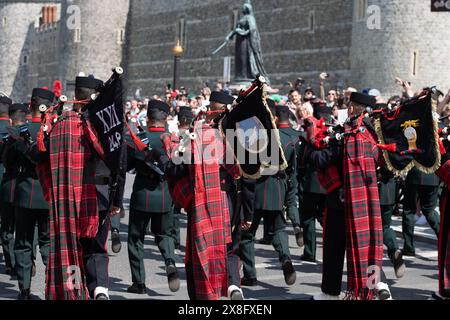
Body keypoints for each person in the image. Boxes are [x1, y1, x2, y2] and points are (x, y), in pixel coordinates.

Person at [161, 91, 255, 300]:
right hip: (230, 202)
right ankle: (232, 285)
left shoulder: (197, 135)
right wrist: (248, 213)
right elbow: (250, 177)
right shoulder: (241, 136)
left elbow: (175, 169)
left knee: (201, 252)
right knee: (230, 248)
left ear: (211, 110)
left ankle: (204, 296)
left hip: (202, 201)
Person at [305, 92, 387, 300]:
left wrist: (309, 145)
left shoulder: (346, 134)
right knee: (369, 245)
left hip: (340, 201)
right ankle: (377, 285)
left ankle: (331, 293)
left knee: (333, 249)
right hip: (368, 199)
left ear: (351, 108)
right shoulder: (374, 134)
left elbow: (322, 159)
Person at [3, 89, 54, 300]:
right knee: (48, 243)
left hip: (24, 193)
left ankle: (24, 290)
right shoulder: (55, 131)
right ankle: (53, 288)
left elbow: (8, 161)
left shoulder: (17, 132)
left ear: (31, 104)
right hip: (48, 194)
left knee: (23, 242)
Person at [239, 103, 298, 288]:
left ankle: (250, 275)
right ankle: (285, 258)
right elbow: (292, 172)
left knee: (247, 235)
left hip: (255, 189)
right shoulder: (289, 137)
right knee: (279, 230)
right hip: (277, 189)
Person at [126, 99, 180, 295]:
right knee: (164, 235)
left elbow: (127, 164)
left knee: (135, 239)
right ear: (165, 120)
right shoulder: (174, 140)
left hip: (142, 193)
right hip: (165, 193)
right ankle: (170, 262)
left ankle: (138, 282)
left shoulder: (138, 138)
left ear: (148, 118)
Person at [1, 103, 25, 277]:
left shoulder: (10, 136)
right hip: (26, 187)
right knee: (25, 228)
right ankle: (26, 262)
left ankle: (11, 263)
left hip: (9, 184)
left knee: (8, 227)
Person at [402, 168, 440, 256]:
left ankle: (409, 247)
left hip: (415, 176)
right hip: (433, 177)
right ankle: (445, 241)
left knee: (409, 211)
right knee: (430, 210)